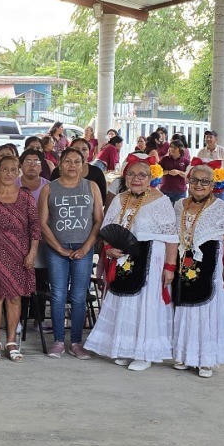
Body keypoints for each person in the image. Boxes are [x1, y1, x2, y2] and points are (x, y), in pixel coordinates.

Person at [84, 157, 178, 371]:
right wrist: (109, 249)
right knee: (124, 304)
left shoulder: (161, 200)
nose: (136, 179)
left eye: (142, 175)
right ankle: (126, 349)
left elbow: (171, 237)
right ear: (125, 177)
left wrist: (170, 267)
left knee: (144, 304)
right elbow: (107, 229)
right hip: (123, 259)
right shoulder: (119, 199)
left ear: (150, 178)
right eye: (131, 174)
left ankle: (144, 353)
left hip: (151, 259)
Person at [171, 164, 224, 378]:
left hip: (212, 266)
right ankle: (185, 356)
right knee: (186, 309)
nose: (199, 185)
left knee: (206, 311)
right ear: (188, 181)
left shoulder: (219, 207)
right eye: (195, 180)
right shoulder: (179, 205)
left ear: (212, 185)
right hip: (184, 264)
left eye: (205, 181)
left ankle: (205, 360)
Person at [0, 154, 41, 363]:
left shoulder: (26, 197)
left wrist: (32, 253)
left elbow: (35, 228)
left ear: (19, 172)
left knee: (15, 297)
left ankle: (11, 341)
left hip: (20, 255)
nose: (9, 173)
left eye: (14, 170)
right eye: (5, 169)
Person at [40, 147, 103, 359]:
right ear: (60, 164)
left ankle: (76, 342)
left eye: (77, 161)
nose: (72, 165)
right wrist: (59, 248)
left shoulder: (91, 186)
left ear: (83, 165)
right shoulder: (49, 188)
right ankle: (58, 341)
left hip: (83, 248)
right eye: (67, 161)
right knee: (58, 295)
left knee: (78, 296)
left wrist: (86, 248)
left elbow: (98, 220)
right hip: (57, 248)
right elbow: (42, 223)